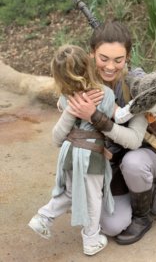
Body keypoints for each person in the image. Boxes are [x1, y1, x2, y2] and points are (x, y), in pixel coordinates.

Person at [67, 20, 156, 245]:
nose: (110, 67)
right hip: (107, 162)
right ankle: (121, 196)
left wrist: (96, 115)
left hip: (141, 154)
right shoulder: (82, 79)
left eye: (118, 60)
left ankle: (142, 216)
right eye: (104, 58)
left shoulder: (136, 83)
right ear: (92, 53)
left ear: (127, 57)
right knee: (112, 226)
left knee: (133, 163)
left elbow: (133, 140)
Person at [28, 44, 139, 255]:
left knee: (70, 191)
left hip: (68, 151)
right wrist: (139, 105)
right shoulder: (103, 94)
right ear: (89, 65)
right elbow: (121, 116)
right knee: (92, 197)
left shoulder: (66, 97)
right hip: (89, 153)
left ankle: (43, 217)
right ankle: (91, 239)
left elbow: (63, 113)